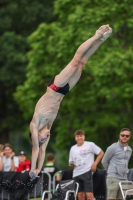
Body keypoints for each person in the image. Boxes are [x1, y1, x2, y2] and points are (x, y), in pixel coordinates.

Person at [29, 24, 112, 180]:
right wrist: (40, 169)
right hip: (64, 91)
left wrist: (32, 169)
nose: (46, 137)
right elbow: (42, 151)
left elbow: (35, 149)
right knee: (82, 63)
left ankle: (96, 34)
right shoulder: (48, 126)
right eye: (45, 139)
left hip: (55, 87)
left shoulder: (35, 124)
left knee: (75, 61)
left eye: (42, 138)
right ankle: (102, 40)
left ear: (35, 134)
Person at [69, 129, 104, 200]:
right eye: (77, 136)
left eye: (81, 136)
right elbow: (70, 162)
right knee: (80, 195)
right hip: (76, 173)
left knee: (89, 194)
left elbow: (101, 153)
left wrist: (95, 164)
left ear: (84, 137)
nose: (79, 138)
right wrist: (72, 164)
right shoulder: (73, 148)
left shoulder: (90, 145)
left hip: (86, 172)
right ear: (75, 138)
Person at [101, 128, 132, 200]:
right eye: (123, 135)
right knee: (111, 198)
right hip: (113, 178)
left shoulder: (129, 149)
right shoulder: (112, 147)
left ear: (129, 137)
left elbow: (126, 163)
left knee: (122, 199)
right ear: (119, 136)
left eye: (127, 136)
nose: (125, 137)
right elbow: (104, 161)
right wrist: (110, 171)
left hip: (124, 179)